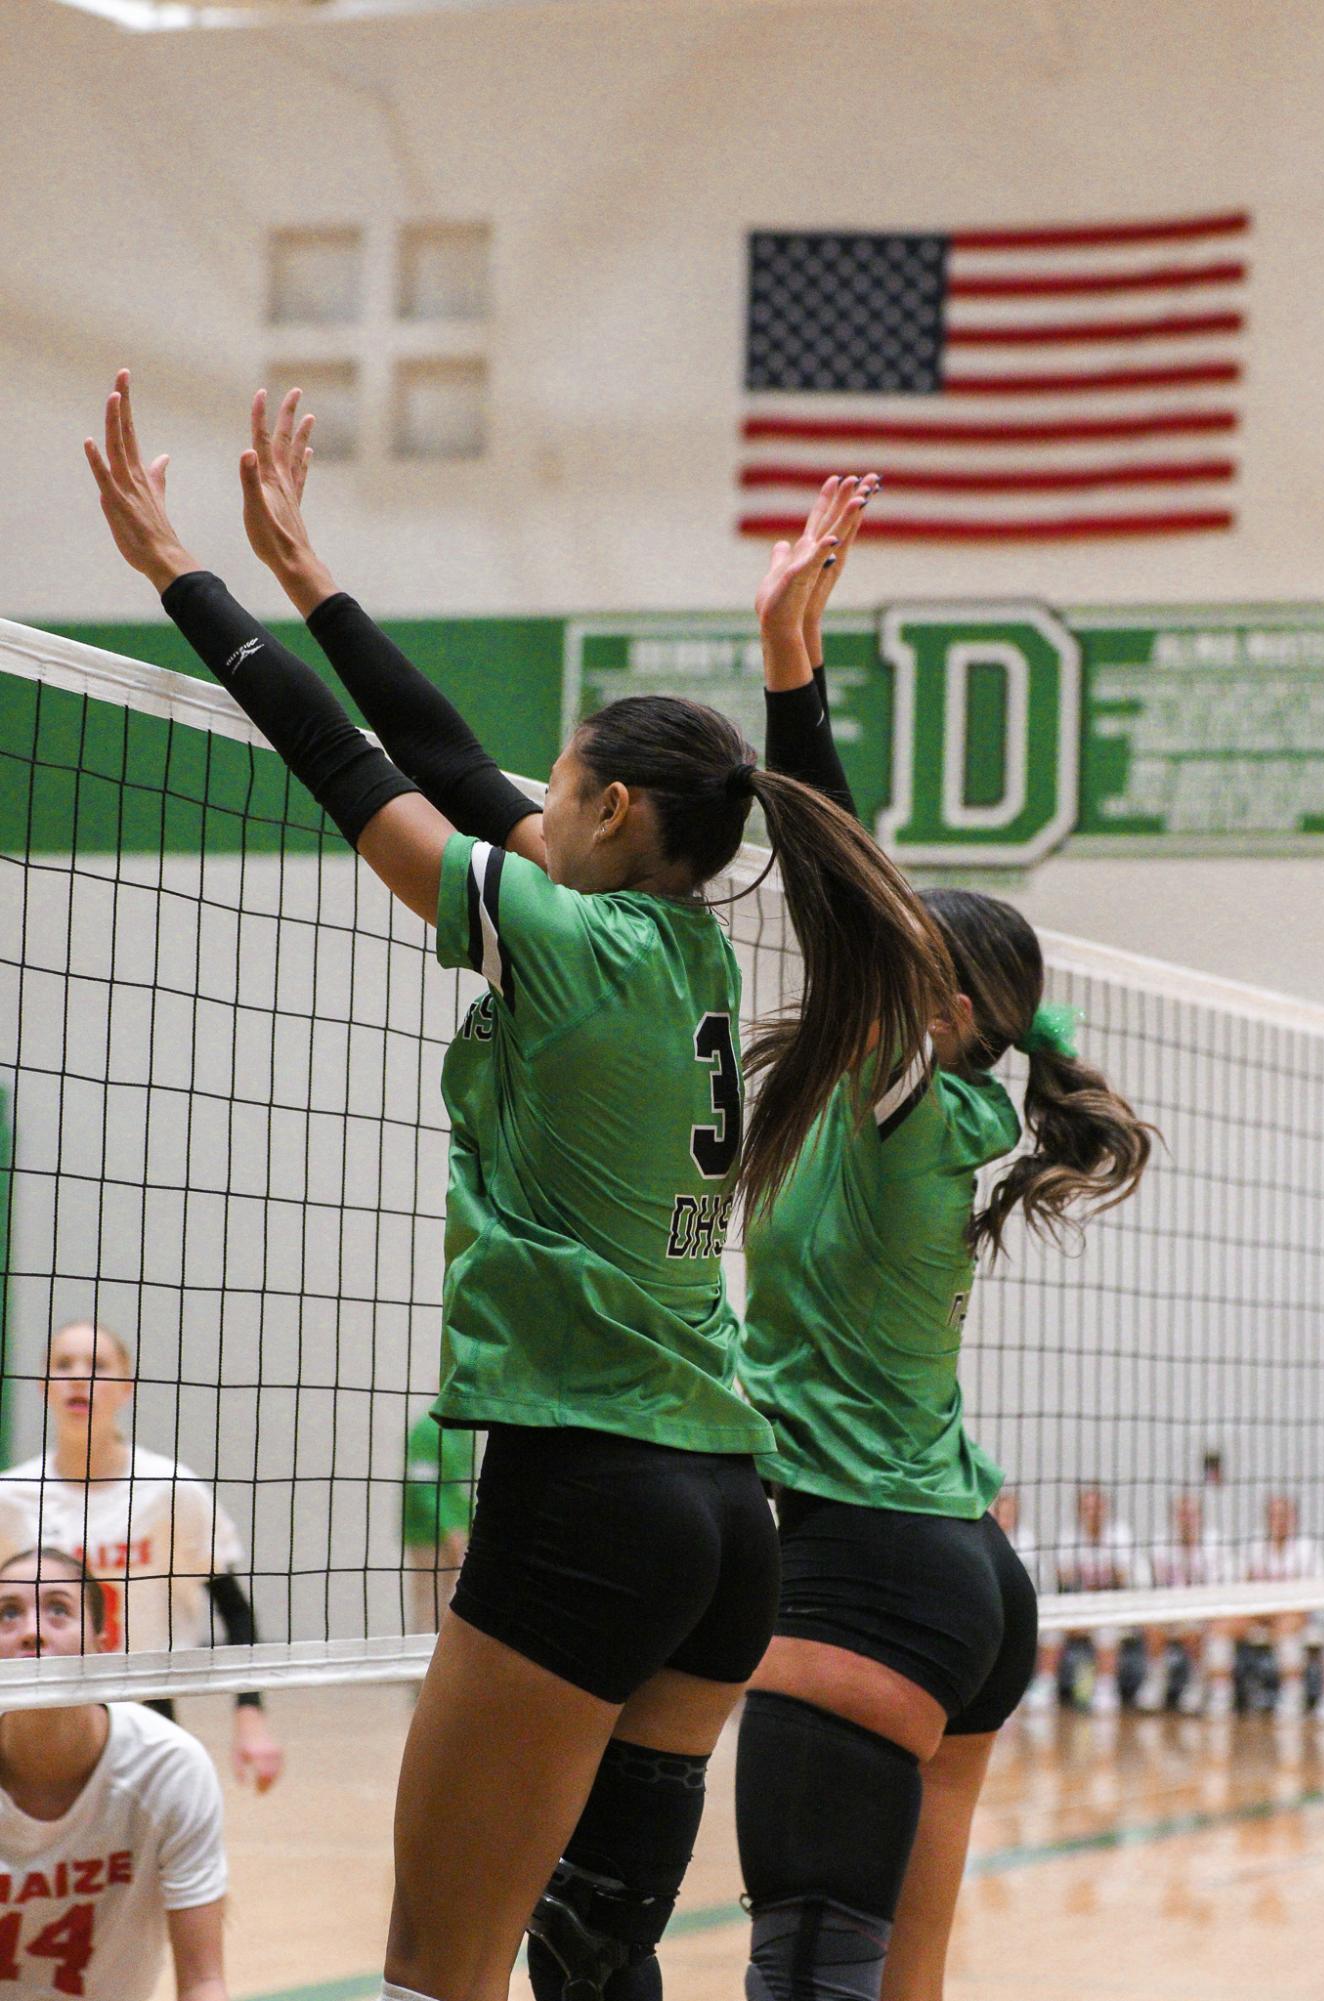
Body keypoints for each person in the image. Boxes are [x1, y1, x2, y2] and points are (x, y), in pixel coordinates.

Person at [84, 375, 958, 2001]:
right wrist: (309, 571)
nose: (525, 799)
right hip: (720, 1517)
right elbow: (438, 753)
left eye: (555, 787)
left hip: (588, 1497)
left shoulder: (555, 938)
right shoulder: (676, 938)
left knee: (438, 1967)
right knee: (588, 1957)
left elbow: (361, 777)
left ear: (611, 812)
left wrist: (180, 576)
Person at [733, 475, 1155, 2001]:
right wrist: (1023, 1003)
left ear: (940, 1009)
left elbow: (832, 873)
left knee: (804, 1976)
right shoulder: (959, 1107)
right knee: (888, 1983)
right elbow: (957, 976)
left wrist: (794, 669)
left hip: (864, 1568)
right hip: (966, 1571)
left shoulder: (907, 1098)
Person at [0, 1320, 284, 1792]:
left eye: (97, 1366)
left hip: (146, 1705)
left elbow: (234, 1609)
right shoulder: (12, 1496)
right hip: (38, 1708)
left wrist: (250, 1717)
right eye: (63, 1365)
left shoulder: (170, 1490)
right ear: (43, 1387)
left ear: (125, 1388)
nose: (78, 1377)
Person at [0, 1546, 228, 1999]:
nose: (32, 1632)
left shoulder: (168, 1768)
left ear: (104, 1640)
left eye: (58, 1610)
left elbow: (204, 1980)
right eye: (8, 1613)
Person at [1030, 1484, 1145, 1717]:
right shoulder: (1069, 1536)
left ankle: (1105, 1688)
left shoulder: (1119, 1534)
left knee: (1106, 1630)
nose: (1092, 1512)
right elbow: (1066, 1580)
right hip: (1079, 1608)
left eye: (1097, 1507)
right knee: (1053, 1628)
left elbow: (1122, 1580)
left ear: (1105, 1509)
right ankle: (1045, 1684)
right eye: (1087, 1508)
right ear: (1080, 1511)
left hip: (1113, 1609)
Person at [1136, 1490, 1231, 1715]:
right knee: (1151, 1624)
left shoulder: (1214, 1544)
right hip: (1168, 1610)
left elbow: (1221, 1588)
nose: (1186, 1519)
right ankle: (1156, 1681)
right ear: (1173, 1517)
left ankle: (1197, 1684)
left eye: (1191, 1514)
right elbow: (1150, 1584)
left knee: (1198, 1629)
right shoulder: (1161, 1544)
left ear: (1200, 1517)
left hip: (1203, 1611)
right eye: (1181, 1514)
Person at [1235, 1494, 1323, 1722]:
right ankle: (1218, 1693)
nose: (1279, 1520)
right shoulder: (1255, 1545)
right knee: (1221, 1625)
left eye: (1284, 1515)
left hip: (1297, 1613)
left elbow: (1314, 1595)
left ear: (1294, 1518)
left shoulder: (1306, 1547)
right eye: (1274, 1515)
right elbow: (1243, 1587)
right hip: (1259, 1612)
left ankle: (1292, 1694)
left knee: (1286, 1624)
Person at [402, 1412, 476, 1633]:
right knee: (429, 1604)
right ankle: (425, 1663)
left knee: (448, 1605)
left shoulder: (463, 1432)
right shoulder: (427, 1430)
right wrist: (449, 1528)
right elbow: (423, 1487)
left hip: (459, 1534)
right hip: (429, 1536)